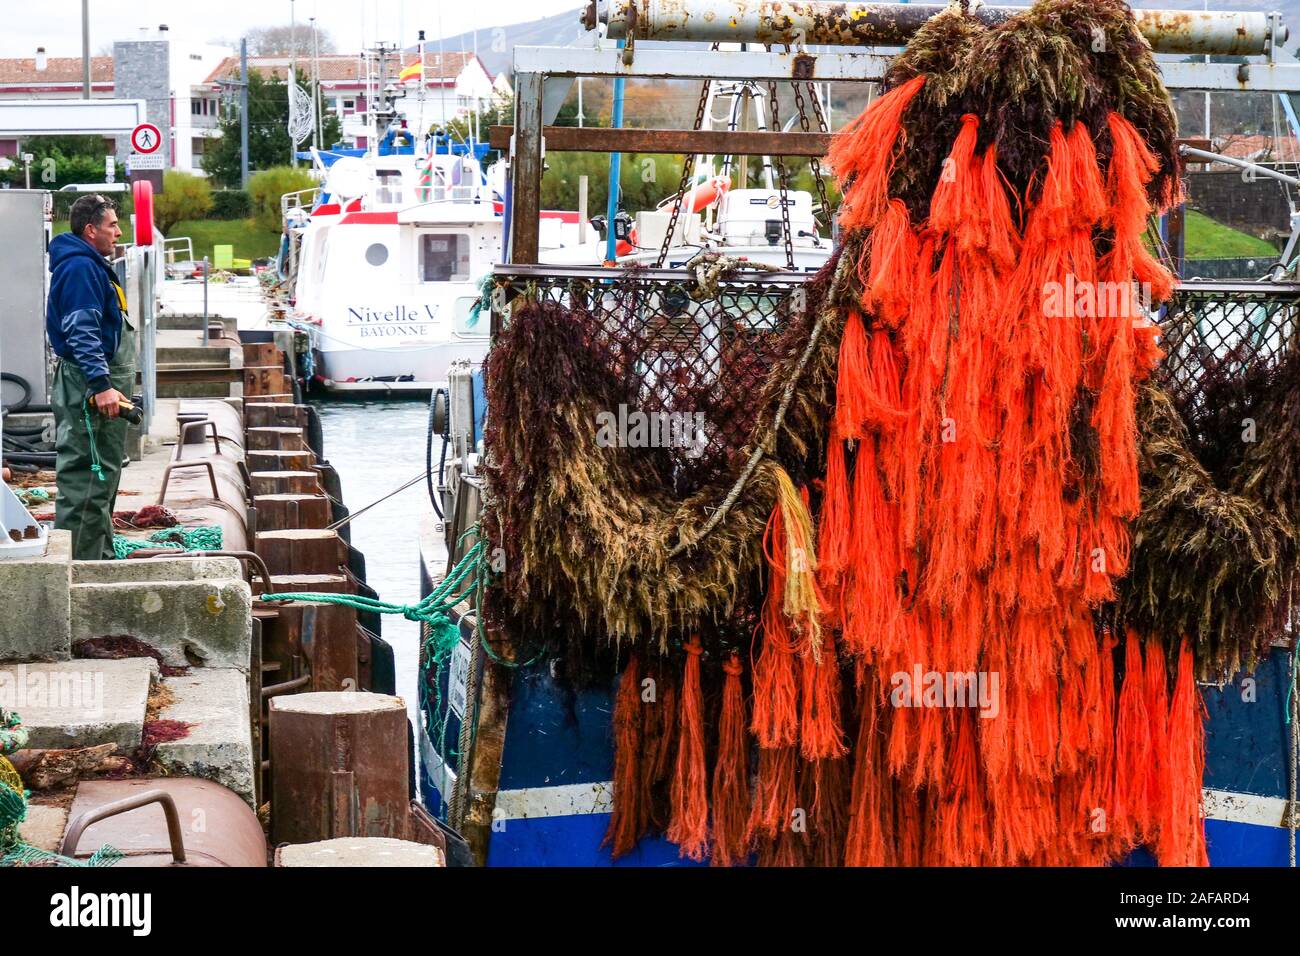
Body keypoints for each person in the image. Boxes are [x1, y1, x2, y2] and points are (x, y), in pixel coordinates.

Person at [45, 194, 136, 560]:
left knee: (103, 478)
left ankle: (101, 557)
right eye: (112, 225)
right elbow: (82, 330)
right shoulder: (81, 268)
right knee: (87, 476)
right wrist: (101, 385)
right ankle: (79, 572)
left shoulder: (90, 264)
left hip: (98, 380)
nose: (118, 232)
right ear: (90, 230)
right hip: (89, 383)